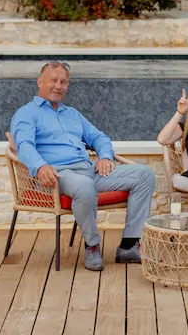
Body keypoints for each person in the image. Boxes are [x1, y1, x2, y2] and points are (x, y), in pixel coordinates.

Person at [11, 61, 156, 272]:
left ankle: (129, 245)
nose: (58, 86)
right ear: (40, 82)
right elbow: (24, 145)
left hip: (88, 170)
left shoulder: (72, 114)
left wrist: (105, 156)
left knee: (144, 174)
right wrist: (40, 166)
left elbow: (99, 137)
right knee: (85, 186)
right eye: (53, 80)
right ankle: (92, 245)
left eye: (63, 82)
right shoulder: (27, 113)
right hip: (58, 175)